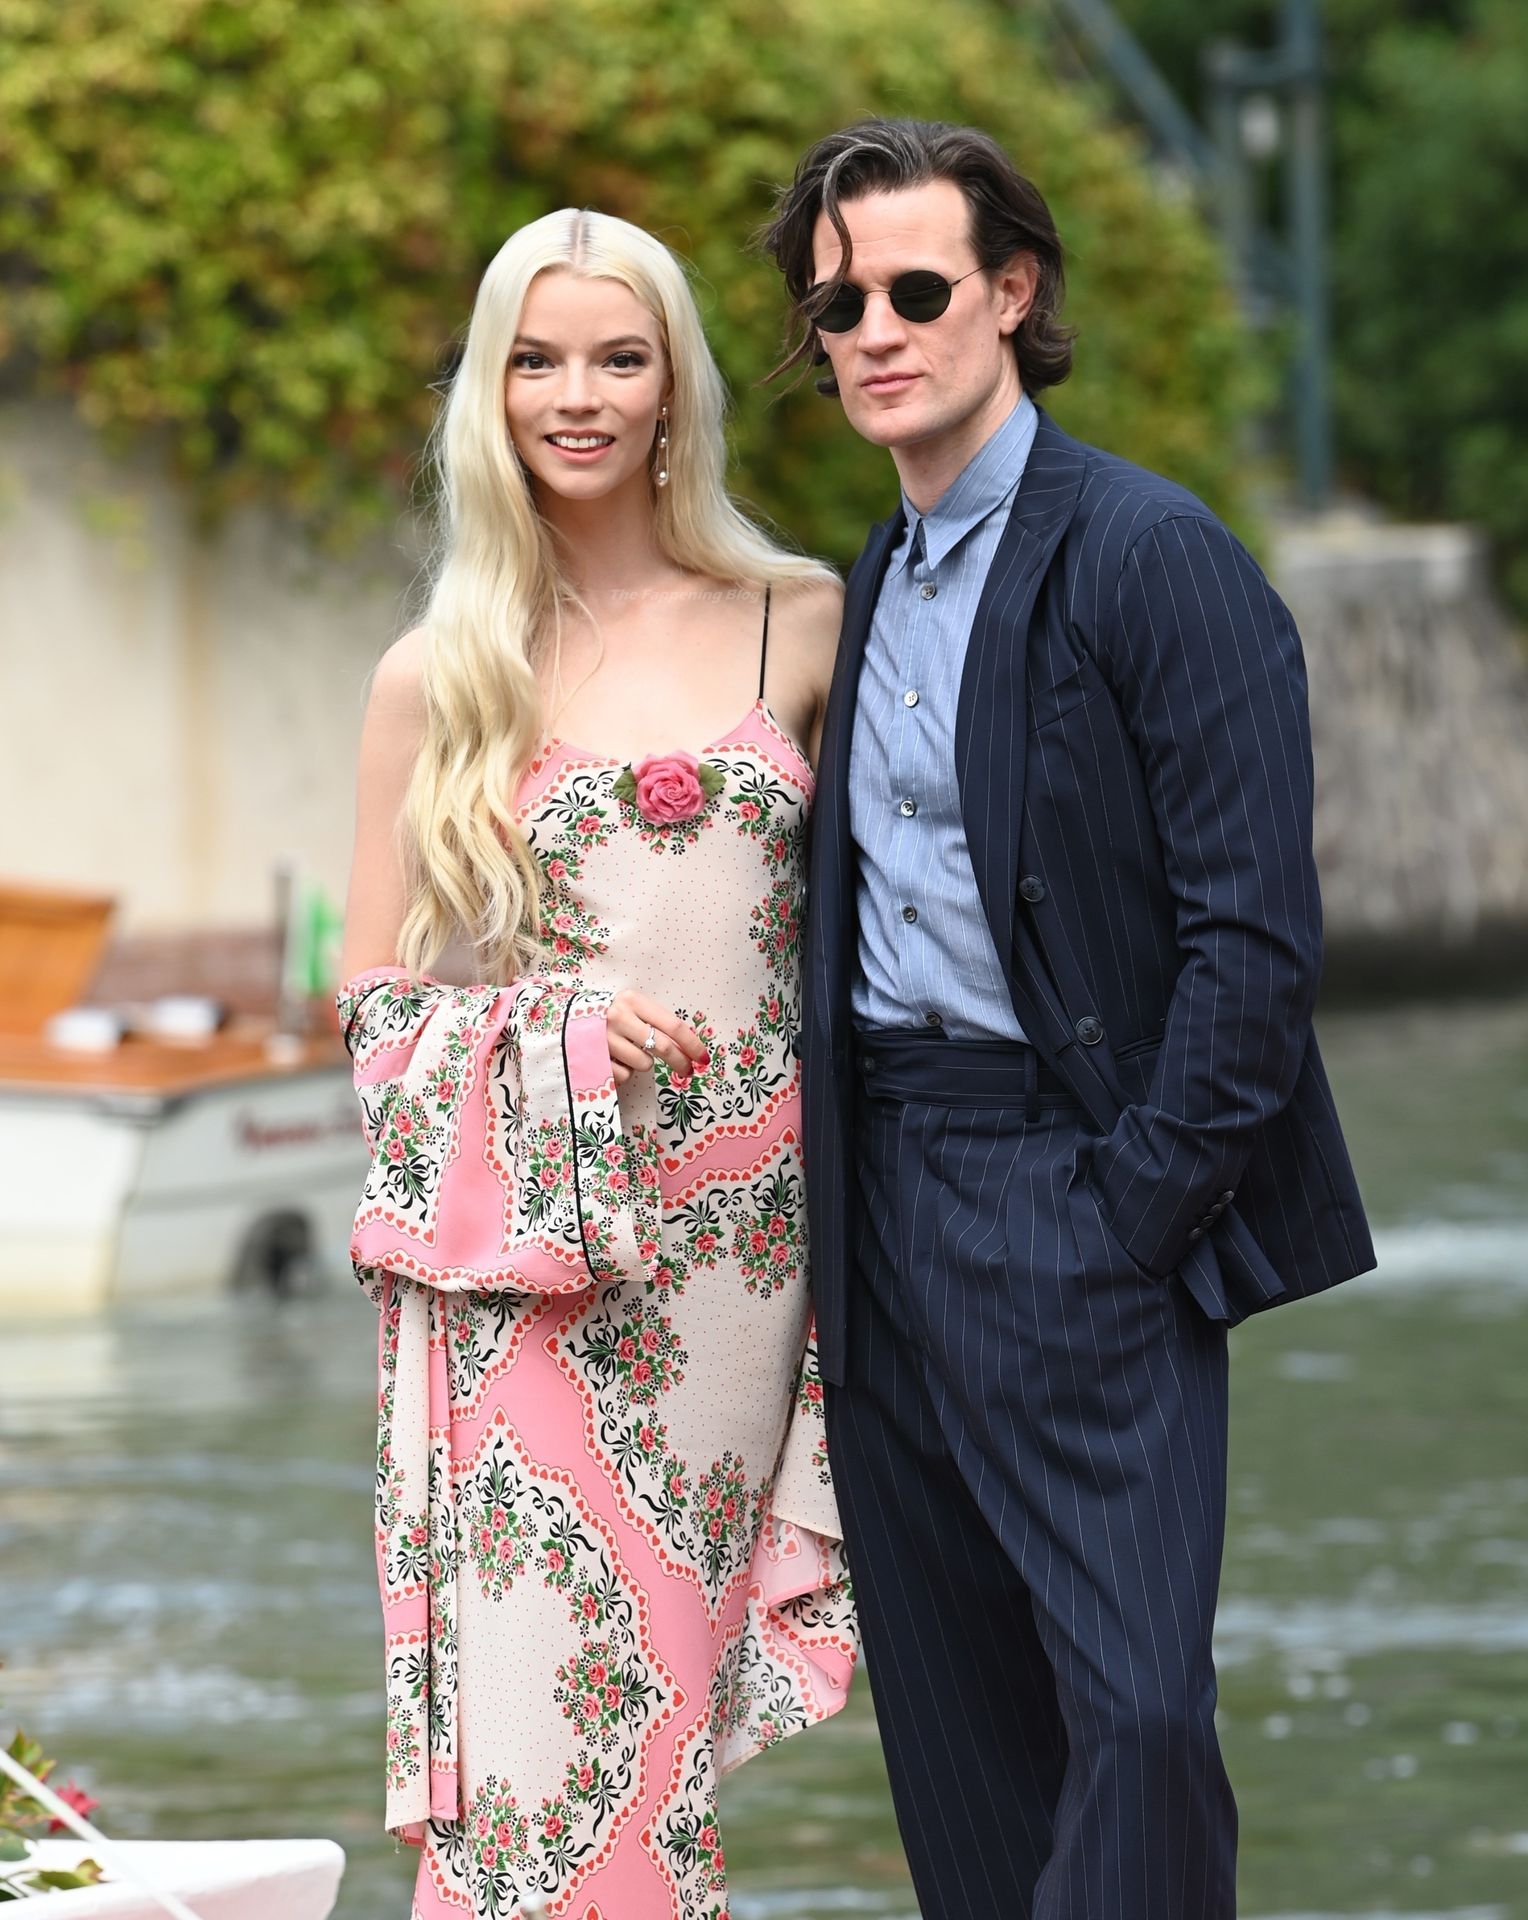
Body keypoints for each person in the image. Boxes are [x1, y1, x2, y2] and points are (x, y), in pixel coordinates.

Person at [762, 119, 1375, 1919]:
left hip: (1075, 1195)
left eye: (919, 288)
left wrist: (1128, 1219)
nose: (877, 329)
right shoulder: (865, 583)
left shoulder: (1155, 556)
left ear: (1013, 295)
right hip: (878, 1206)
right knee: (962, 1745)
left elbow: (1256, 944)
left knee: (1138, 1722)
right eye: (838, 304)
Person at [339, 207, 856, 1920]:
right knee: (540, 1742)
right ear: (490, 391)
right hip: (537, 1275)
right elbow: (370, 1007)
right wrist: (541, 1031)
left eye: (616, 357)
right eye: (536, 360)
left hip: (738, 1275)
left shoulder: (800, 619)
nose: (578, 396)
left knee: (655, 1738)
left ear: (672, 387)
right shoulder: (439, 675)